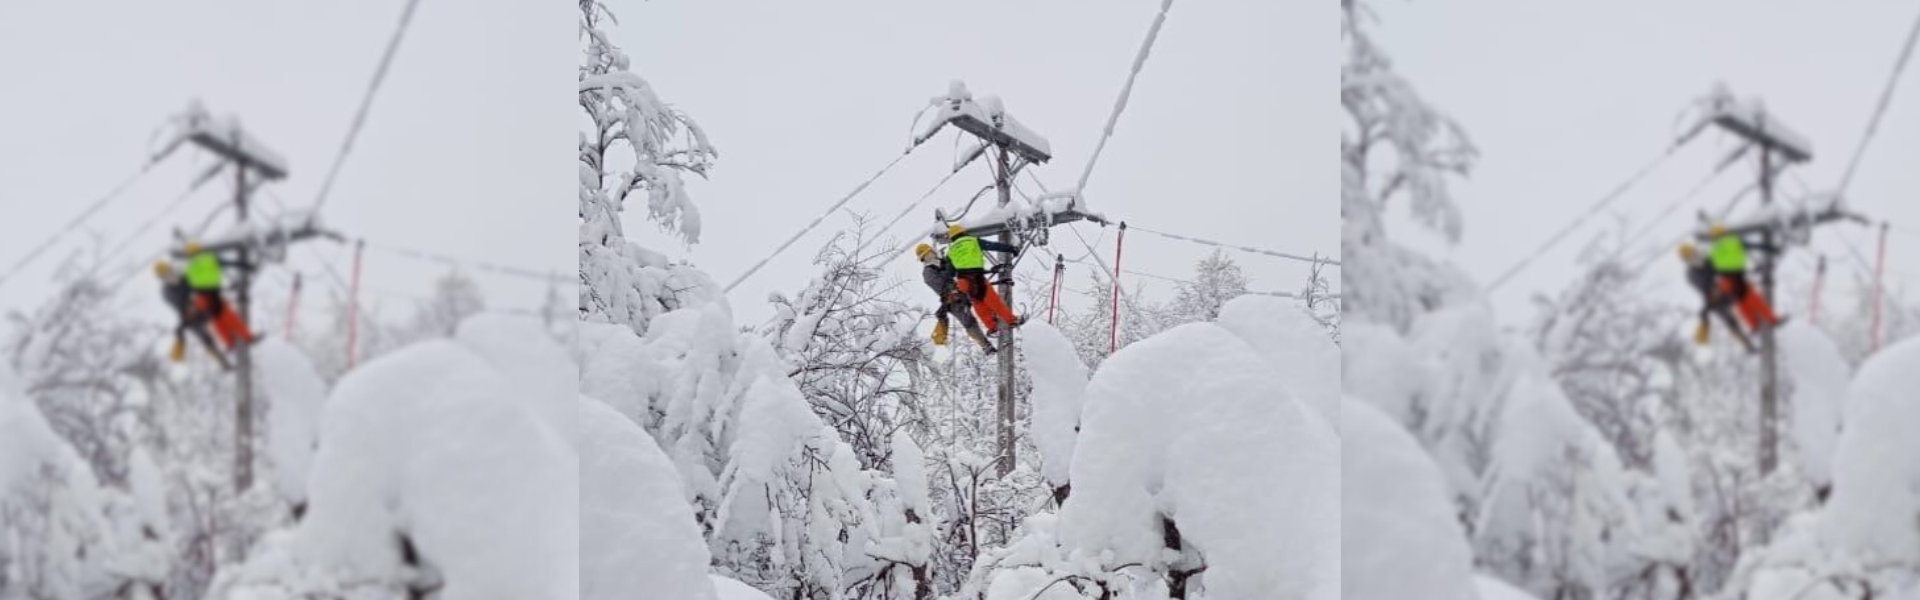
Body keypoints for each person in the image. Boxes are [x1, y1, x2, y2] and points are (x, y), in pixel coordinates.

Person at [917, 243, 996, 353]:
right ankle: (986, 345)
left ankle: (994, 322)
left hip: (961, 290)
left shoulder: (939, 263)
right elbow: (942, 283)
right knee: (969, 321)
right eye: (926, 254)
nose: (930, 255)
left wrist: (947, 261)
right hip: (952, 299)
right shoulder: (928, 272)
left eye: (930, 252)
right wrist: (946, 266)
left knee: (981, 298)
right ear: (923, 258)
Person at [944, 224, 1022, 334]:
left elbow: (950, 273)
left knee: (978, 302)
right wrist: (1011, 249)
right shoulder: (972, 241)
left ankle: (991, 327)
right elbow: (993, 246)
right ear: (963, 232)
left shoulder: (950, 251)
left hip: (963, 281)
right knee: (993, 300)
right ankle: (1012, 320)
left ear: (952, 237)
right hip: (976, 276)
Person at [1706, 223, 1784, 334]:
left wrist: (1714, 288)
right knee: (1753, 299)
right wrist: (1771, 248)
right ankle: (1771, 320)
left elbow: (1711, 269)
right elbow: (1757, 245)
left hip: (1726, 281)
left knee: (1741, 302)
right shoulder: (1734, 242)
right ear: (1724, 233)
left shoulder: (1713, 250)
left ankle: (1754, 325)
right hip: (1737, 277)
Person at [183, 240, 259, 350]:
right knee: (229, 316)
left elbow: (188, 286)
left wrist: (191, 306)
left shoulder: (189, 267)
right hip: (213, 295)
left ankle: (229, 343)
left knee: (216, 319)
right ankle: (247, 337)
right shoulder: (209, 259)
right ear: (200, 250)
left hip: (201, 299)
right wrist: (247, 265)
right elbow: (232, 263)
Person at [156, 260, 231, 368]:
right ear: (162, 278)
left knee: (220, 315)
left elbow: (199, 285)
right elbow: (178, 303)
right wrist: (188, 304)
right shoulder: (166, 291)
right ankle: (223, 363)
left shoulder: (184, 277)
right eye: (165, 274)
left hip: (202, 305)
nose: (169, 274)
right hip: (189, 314)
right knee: (205, 338)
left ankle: (233, 339)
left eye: (169, 271)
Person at [1679, 243, 1751, 351]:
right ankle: (1747, 344)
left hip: (1727, 287)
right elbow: (1702, 285)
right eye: (1689, 257)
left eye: (1693, 254)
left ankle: (1758, 322)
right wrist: (1713, 286)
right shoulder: (1691, 274)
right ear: (1686, 260)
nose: (1693, 257)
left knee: (1745, 298)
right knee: (1729, 320)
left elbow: (1723, 267)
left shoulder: (1709, 259)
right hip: (1714, 296)